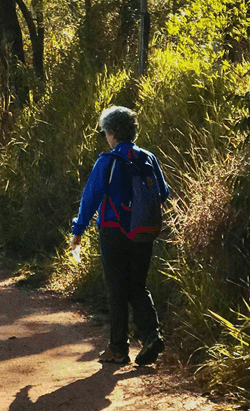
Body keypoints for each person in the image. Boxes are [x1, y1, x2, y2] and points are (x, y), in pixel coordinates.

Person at [70, 105, 170, 366]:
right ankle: (151, 335)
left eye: (105, 133)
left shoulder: (107, 161)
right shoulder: (148, 158)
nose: (106, 137)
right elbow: (164, 192)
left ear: (112, 132)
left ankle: (118, 349)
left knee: (116, 289)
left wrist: (78, 231)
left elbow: (90, 198)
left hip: (114, 231)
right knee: (137, 285)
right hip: (143, 230)